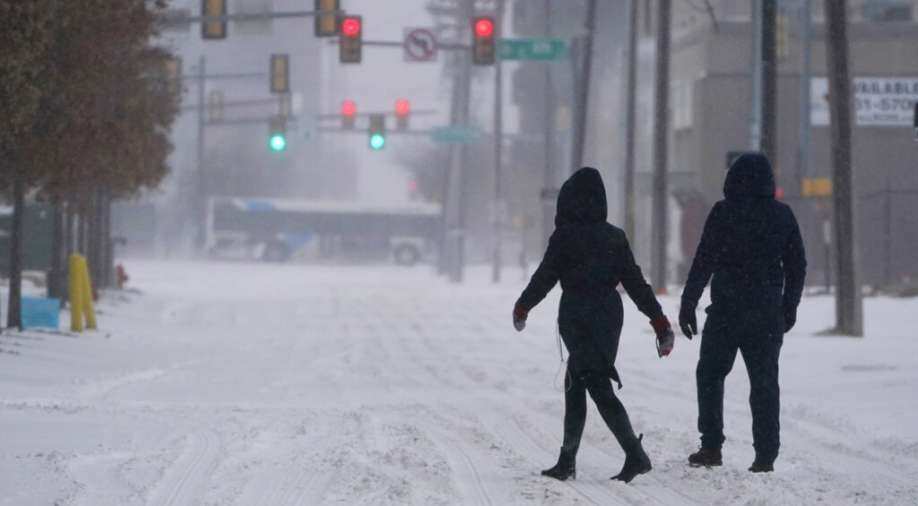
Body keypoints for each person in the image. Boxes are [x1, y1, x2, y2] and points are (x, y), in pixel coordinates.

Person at [512, 167, 675, 484]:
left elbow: (545, 277)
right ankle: (568, 459)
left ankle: (635, 455)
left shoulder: (565, 237)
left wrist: (523, 306)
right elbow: (636, 284)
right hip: (607, 316)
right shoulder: (614, 237)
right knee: (576, 384)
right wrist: (658, 321)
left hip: (577, 315)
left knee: (596, 385)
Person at [679, 152, 806, 473]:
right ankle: (765, 455)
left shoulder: (723, 212)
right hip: (766, 313)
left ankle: (711, 446)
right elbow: (797, 265)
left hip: (726, 312)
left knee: (709, 374)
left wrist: (688, 302)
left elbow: (703, 259)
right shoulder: (782, 215)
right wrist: (788, 306)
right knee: (764, 384)